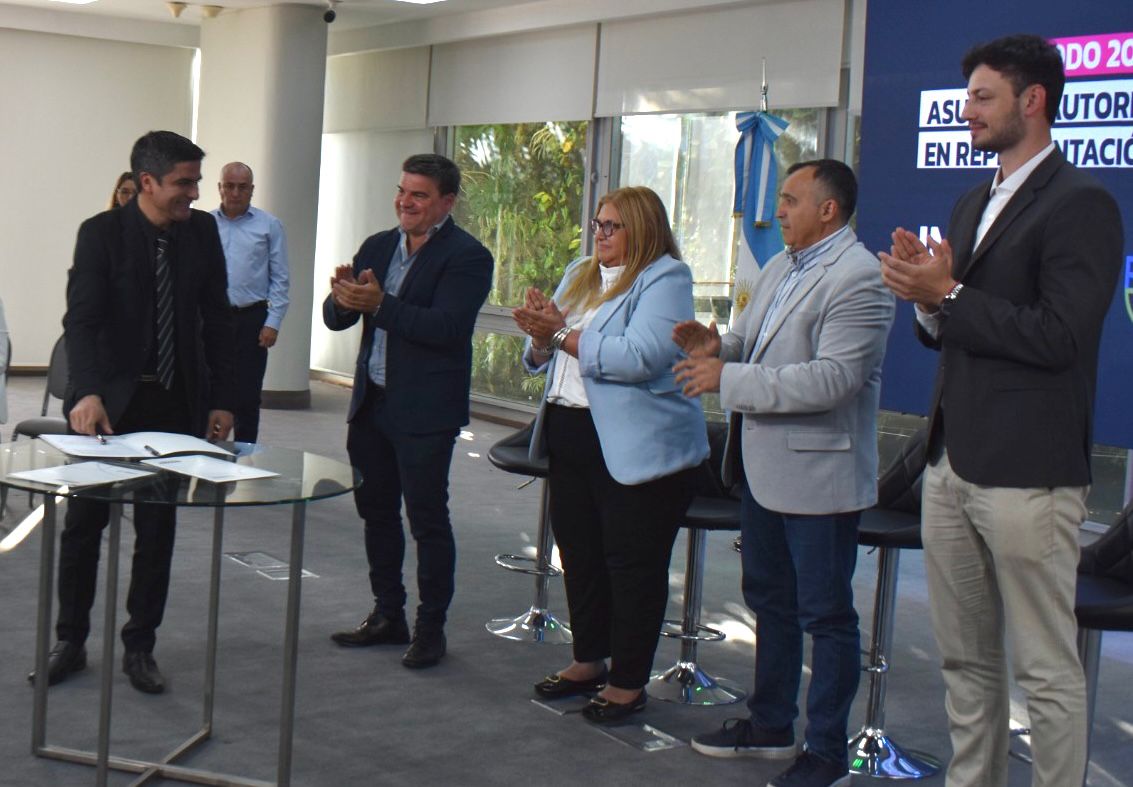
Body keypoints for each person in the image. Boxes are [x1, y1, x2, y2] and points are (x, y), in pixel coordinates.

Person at [879, 34, 1123, 787]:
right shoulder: (971, 200)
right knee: (964, 660)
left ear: (1033, 100)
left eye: (983, 97)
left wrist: (949, 295)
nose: (967, 111)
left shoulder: (1081, 203)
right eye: (967, 98)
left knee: (1045, 669)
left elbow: (1059, 336)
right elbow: (954, 325)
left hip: (1028, 471)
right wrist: (927, 302)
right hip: (950, 463)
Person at [673, 159, 894, 787]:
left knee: (826, 616)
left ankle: (826, 752)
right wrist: (717, 349)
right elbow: (749, 343)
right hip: (763, 471)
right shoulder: (780, 267)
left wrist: (729, 376)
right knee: (769, 601)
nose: (778, 211)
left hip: (820, 477)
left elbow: (833, 380)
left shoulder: (859, 277)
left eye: (791, 200)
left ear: (829, 209)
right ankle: (770, 724)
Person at [29, 131, 235, 694]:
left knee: (157, 528)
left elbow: (218, 319)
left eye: (196, 181)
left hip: (173, 402)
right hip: (106, 407)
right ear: (147, 182)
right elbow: (82, 321)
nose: (194, 193)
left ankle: (140, 646)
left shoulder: (202, 233)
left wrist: (224, 398)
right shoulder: (101, 234)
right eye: (184, 182)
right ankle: (70, 641)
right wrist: (87, 391)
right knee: (84, 525)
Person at [513, 186, 708, 724]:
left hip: (636, 441)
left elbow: (641, 357)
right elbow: (542, 355)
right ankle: (588, 660)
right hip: (570, 429)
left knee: (631, 564)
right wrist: (540, 336)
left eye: (611, 226)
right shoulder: (581, 271)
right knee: (579, 555)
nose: (599, 233)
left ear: (641, 228)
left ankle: (627, 681)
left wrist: (560, 334)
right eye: (597, 224)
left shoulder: (665, 278)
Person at [325, 153, 493, 669]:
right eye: (402, 191)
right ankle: (387, 614)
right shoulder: (378, 245)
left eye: (419, 194)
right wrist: (342, 299)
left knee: (427, 520)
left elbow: (445, 329)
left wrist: (379, 305)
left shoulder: (468, 257)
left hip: (425, 411)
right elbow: (336, 318)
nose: (406, 202)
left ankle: (430, 628)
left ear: (446, 202)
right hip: (371, 403)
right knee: (375, 513)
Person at [211, 162, 290, 443]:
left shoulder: (269, 225)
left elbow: (280, 278)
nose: (235, 193)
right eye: (229, 186)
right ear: (219, 188)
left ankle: (246, 456)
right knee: (209, 390)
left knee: (246, 396)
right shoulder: (205, 224)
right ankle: (207, 453)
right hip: (212, 319)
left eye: (242, 187)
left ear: (252, 190)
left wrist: (273, 322)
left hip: (251, 320)